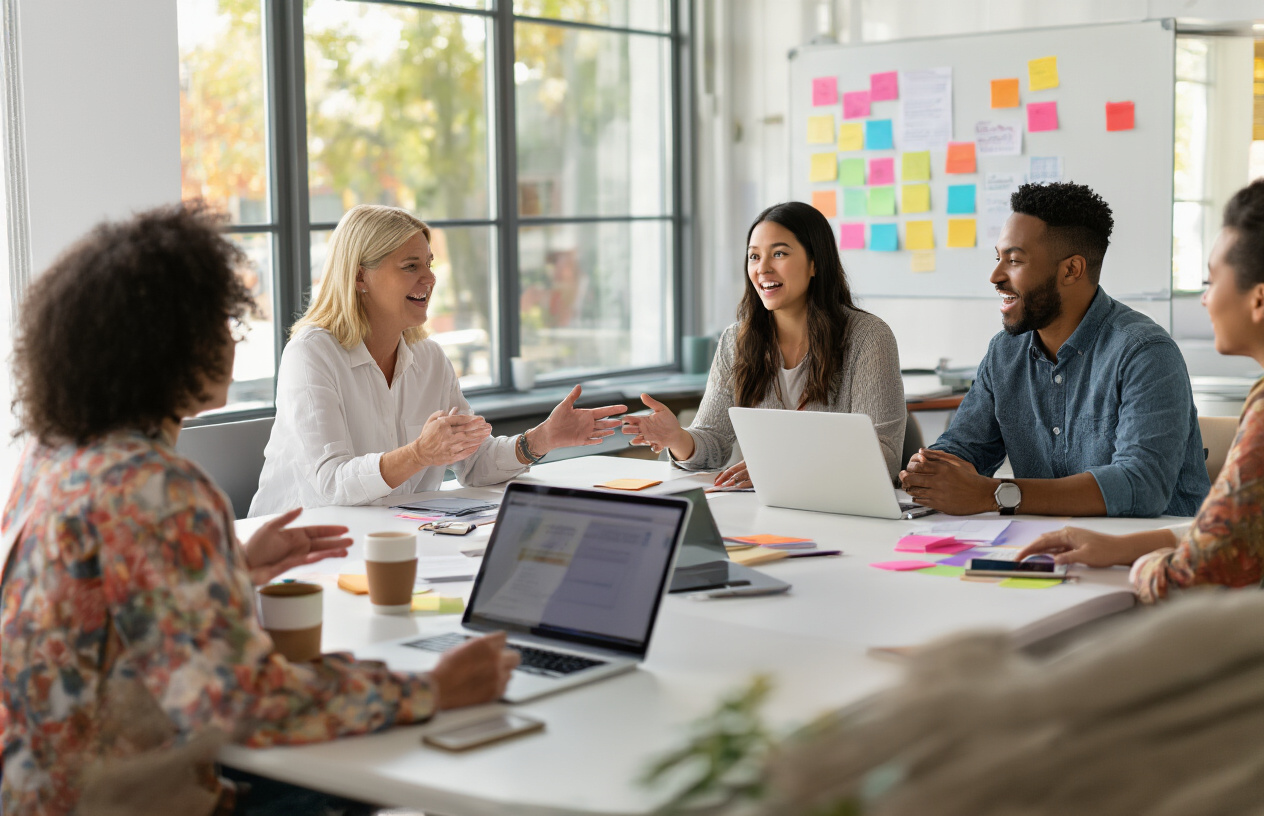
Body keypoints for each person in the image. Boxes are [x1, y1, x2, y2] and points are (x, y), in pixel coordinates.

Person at [0, 203, 519, 816]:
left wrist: (228, 566)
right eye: (220, 321)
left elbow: (106, 611)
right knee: (398, 764)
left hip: (39, 787)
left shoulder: (54, 457)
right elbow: (240, 700)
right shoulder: (156, 488)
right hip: (121, 798)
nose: (233, 336)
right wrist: (431, 687)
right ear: (162, 346)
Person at [249, 204, 626, 516]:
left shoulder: (429, 358)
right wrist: (419, 454)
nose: (429, 278)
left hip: (392, 536)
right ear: (360, 275)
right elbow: (331, 483)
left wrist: (541, 439)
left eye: (429, 264)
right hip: (300, 548)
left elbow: (475, 465)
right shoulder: (311, 353)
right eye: (410, 266)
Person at [1016, 180, 1264, 602]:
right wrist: (1121, 547)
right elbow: (1231, 530)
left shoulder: (1145, 350)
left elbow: (1197, 573)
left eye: (1210, 282)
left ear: (1259, 300)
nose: (1204, 299)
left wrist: (1136, 567)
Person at [900, 182, 1210, 517]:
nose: (995, 276)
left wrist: (997, 495)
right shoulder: (1005, 352)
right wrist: (933, 468)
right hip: (1044, 545)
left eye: (1014, 260)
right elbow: (966, 446)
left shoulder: (1145, 353)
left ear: (1071, 270)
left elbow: (1140, 486)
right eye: (997, 257)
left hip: (1153, 553)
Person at [623, 201, 906, 483]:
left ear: (815, 263)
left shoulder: (868, 337)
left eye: (779, 253)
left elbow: (884, 456)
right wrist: (678, 438)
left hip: (847, 513)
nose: (763, 269)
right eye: (754, 257)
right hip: (766, 510)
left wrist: (782, 470)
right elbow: (713, 444)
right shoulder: (736, 340)